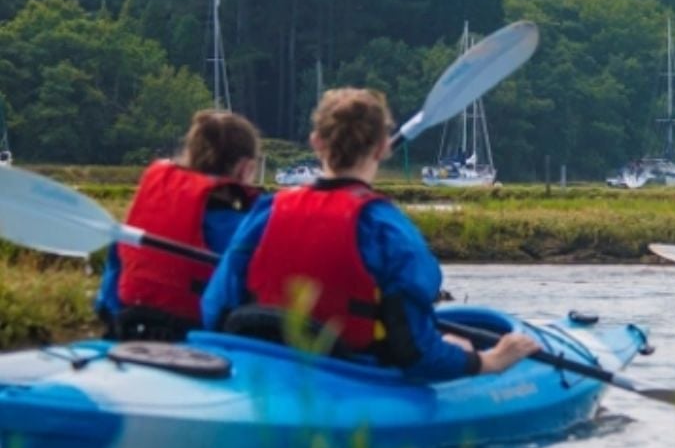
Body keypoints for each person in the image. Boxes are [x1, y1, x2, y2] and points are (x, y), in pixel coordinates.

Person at [201, 87, 539, 379]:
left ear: (316, 143)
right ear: (381, 149)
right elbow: (415, 350)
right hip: (352, 372)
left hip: (265, 367)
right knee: (456, 343)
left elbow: (215, 310)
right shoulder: (386, 228)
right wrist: (487, 361)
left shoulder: (265, 213)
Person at [95, 110, 262, 340]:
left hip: (130, 327)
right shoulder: (244, 229)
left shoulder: (147, 212)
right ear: (245, 168)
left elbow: (107, 295)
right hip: (198, 341)